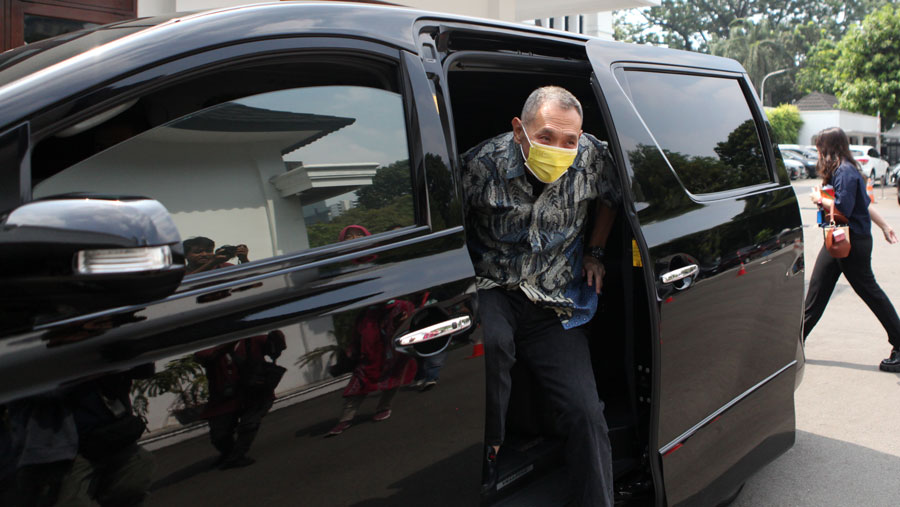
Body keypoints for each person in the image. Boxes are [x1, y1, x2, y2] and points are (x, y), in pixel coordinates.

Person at [462, 86, 620, 505]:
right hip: (497, 284)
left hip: (553, 297)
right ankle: (490, 451)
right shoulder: (481, 165)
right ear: (520, 131)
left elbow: (610, 199)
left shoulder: (593, 156)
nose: (560, 149)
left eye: (570, 140)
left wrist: (596, 251)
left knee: (586, 413)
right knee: (491, 344)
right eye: (547, 137)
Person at [805, 127, 900, 372]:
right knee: (818, 291)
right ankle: (792, 344)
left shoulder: (845, 171)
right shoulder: (845, 168)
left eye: (819, 146)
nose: (817, 151)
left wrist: (819, 198)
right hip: (840, 238)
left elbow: (843, 208)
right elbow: (864, 205)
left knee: (870, 293)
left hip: (850, 242)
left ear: (828, 147)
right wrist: (885, 225)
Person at [194, 331, 287, 469]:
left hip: (254, 392)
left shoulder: (251, 339)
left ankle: (237, 456)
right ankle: (229, 454)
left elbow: (275, 347)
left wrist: (275, 339)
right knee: (219, 434)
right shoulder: (208, 345)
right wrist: (228, 342)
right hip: (224, 397)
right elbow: (204, 355)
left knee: (249, 424)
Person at [183, 237, 249, 275]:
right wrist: (212, 262)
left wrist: (244, 260)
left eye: (209, 251)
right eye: (198, 252)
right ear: (185, 255)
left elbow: (251, 278)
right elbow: (185, 284)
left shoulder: (225, 267)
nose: (204, 254)